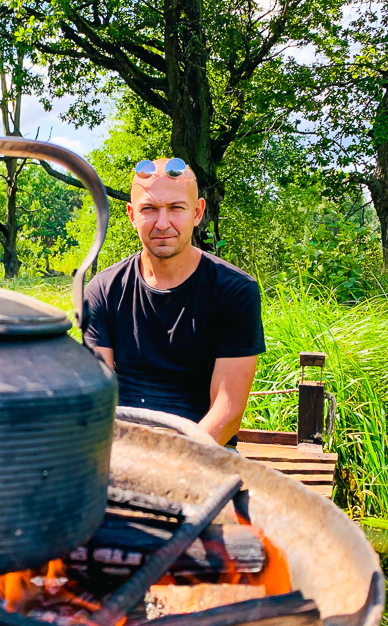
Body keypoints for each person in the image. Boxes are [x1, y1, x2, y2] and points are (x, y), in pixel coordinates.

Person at [83, 157, 265, 446]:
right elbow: (97, 396)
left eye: (176, 208)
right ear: (132, 215)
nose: (162, 223)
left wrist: (172, 463)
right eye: (149, 209)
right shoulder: (103, 290)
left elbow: (227, 413)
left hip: (205, 451)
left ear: (197, 212)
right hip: (122, 447)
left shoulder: (235, 290)